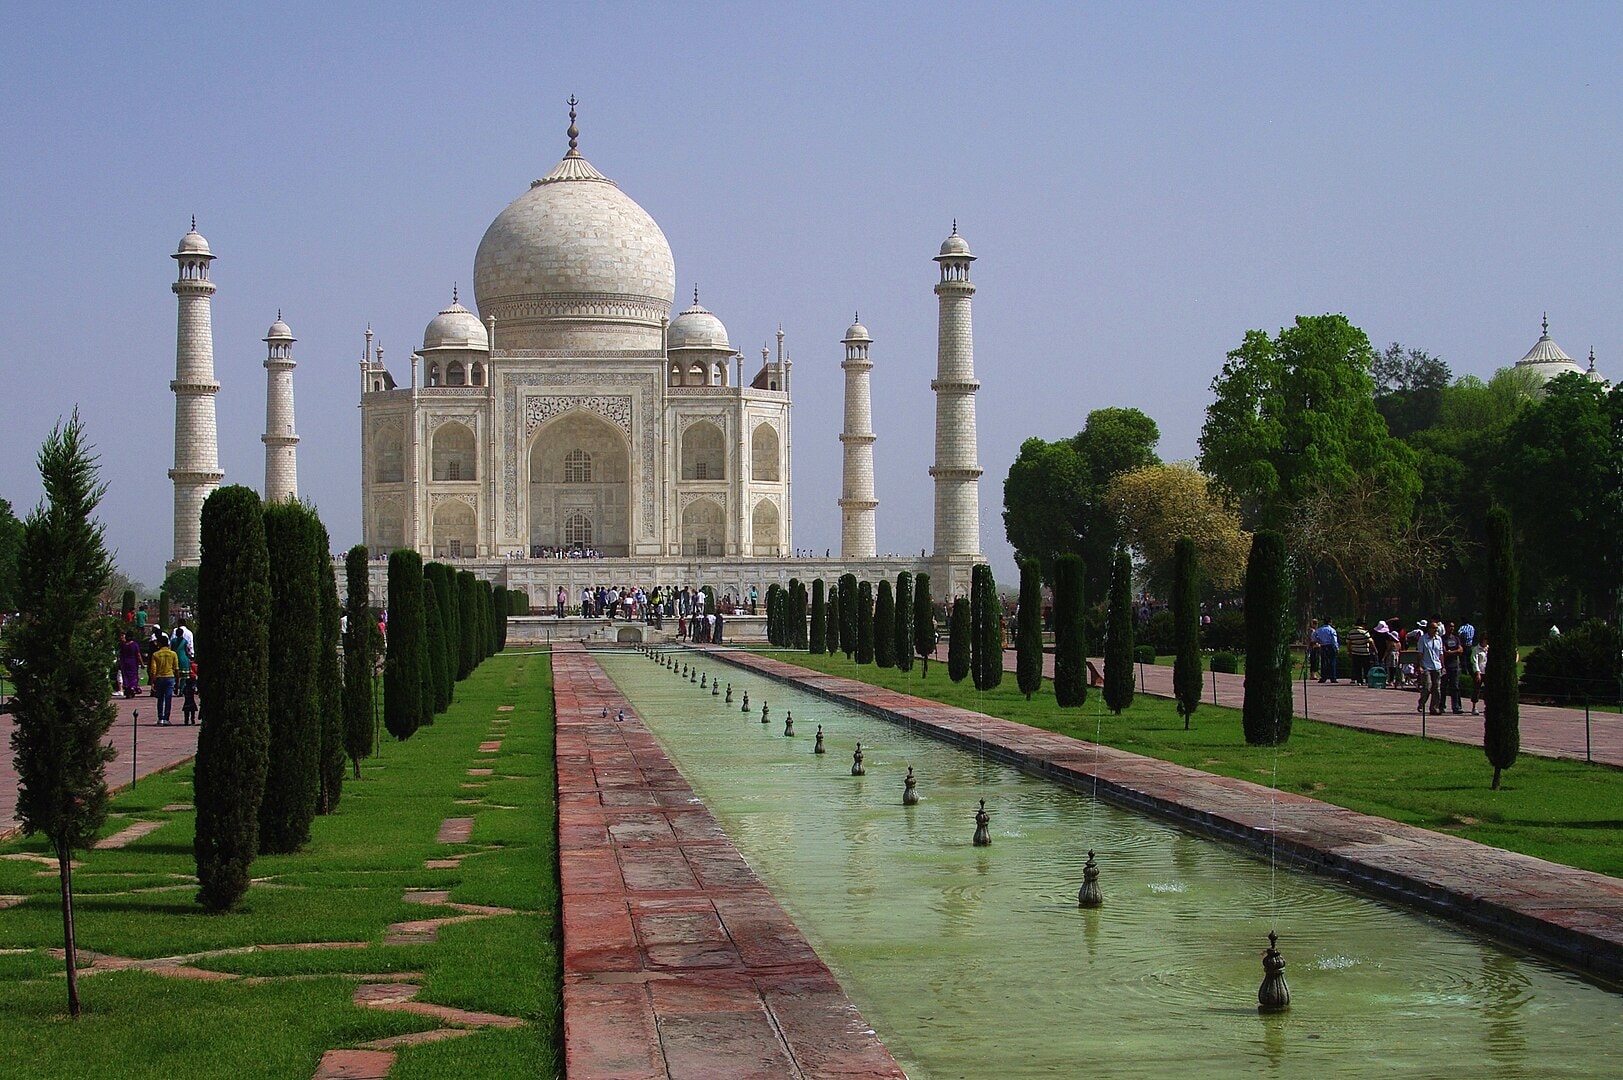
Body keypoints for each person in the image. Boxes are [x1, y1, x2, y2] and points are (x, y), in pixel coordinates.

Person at [149, 633, 180, 725]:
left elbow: (153, 670)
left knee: (160, 698)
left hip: (160, 677)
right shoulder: (173, 654)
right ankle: (166, 718)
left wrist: (152, 682)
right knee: (168, 698)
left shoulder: (156, 654)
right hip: (170, 677)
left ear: (160, 643)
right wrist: (178, 680)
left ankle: (160, 717)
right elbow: (176, 668)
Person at [1416, 620, 1444, 715]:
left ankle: (1434, 708)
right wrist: (1419, 666)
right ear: (1429, 629)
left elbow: (1440, 653)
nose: (1435, 630)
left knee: (1437, 688)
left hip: (1437, 666)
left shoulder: (1439, 639)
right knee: (1428, 687)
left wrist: (1442, 665)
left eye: (1436, 628)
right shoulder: (1423, 639)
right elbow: (1420, 653)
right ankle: (1422, 702)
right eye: (1433, 628)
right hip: (1426, 666)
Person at [1442, 621, 1465, 714]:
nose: (1451, 628)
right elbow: (1444, 652)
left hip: (1454, 666)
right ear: (1446, 627)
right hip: (1445, 666)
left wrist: (1451, 652)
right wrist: (1454, 652)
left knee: (1455, 687)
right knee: (1443, 687)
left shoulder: (1456, 638)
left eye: (1453, 626)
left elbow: (1461, 650)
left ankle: (1456, 707)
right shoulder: (1442, 638)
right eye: (1450, 626)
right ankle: (1441, 706)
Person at [1345, 620, 1374, 685]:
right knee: (1366, 667)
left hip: (1355, 652)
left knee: (1357, 667)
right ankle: (1367, 680)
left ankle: (1359, 681)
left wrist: (1349, 651)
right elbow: (1370, 641)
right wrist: (1374, 649)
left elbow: (1348, 643)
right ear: (1362, 625)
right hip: (1365, 652)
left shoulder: (1351, 632)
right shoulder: (1365, 632)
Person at [1312, 619, 1340, 683]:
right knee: (1332, 662)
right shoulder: (1332, 630)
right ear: (1330, 622)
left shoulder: (1319, 630)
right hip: (1330, 646)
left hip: (1323, 646)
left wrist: (1318, 640)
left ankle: (1323, 677)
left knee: (1323, 662)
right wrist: (1336, 648)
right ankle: (1333, 677)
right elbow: (1334, 640)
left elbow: (1313, 636)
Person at [118, 630, 143, 697]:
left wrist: (120, 662)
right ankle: (132, 687)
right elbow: (138, 655)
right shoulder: (134, 644)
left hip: (124, 662)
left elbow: (120, 654)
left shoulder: (123, 645)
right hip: (132, 662)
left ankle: (127, 687)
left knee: (125, 675)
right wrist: (142, 663)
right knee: (133, 676)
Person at [1469, 635, 1488, 715]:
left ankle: (1487, 706)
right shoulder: (1476, 649)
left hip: (1487, 672)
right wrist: (1477, 673)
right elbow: (1475, 662)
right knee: (1477, 689)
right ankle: (1474, 706)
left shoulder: (1488, 648)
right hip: (1479, 672)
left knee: (1488, 691)